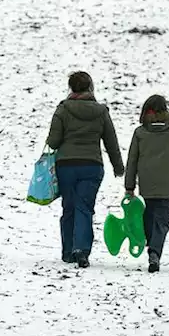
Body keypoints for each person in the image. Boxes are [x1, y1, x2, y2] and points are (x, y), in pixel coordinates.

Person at [46, 71, 125, 269]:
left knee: (69, 207)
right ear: (90, 87)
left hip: (66, 166)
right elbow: (111, 141)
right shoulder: (101, 111)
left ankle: (67, 251)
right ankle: (81, 250)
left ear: (71, 88)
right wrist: (118, 167)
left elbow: (53, 141)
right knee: (85, 208)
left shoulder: (62, 110)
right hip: (92, 166)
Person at [124, 94, 169, 273]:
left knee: (149, 215)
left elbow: (132, 160)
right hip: (167, 183)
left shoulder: (140, 133)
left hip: (146, 183)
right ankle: (155, 251)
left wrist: (129, 185)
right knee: (163, 220)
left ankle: (151, 244)